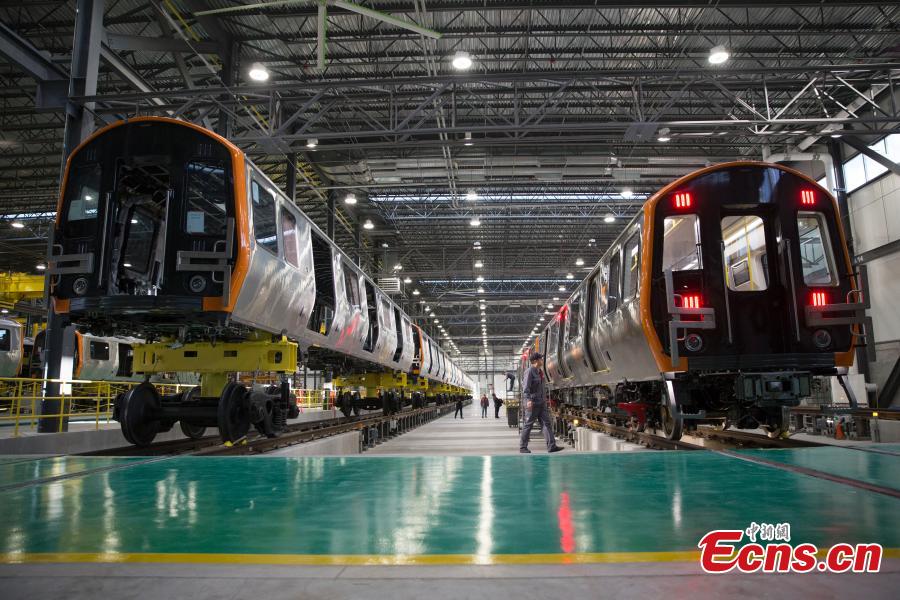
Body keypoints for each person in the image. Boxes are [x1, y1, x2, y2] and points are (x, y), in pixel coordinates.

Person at [519, 351, 564, 454]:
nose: (542, 360)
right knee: (528, 425)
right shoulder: (529, 372)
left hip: (541, 403)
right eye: (540, 359)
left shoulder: (540, 372)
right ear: (535, 361)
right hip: (533, 403)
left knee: (546, 424)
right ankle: (523, 447)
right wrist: (528, 400)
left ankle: (552, 446)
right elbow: (526, 388)